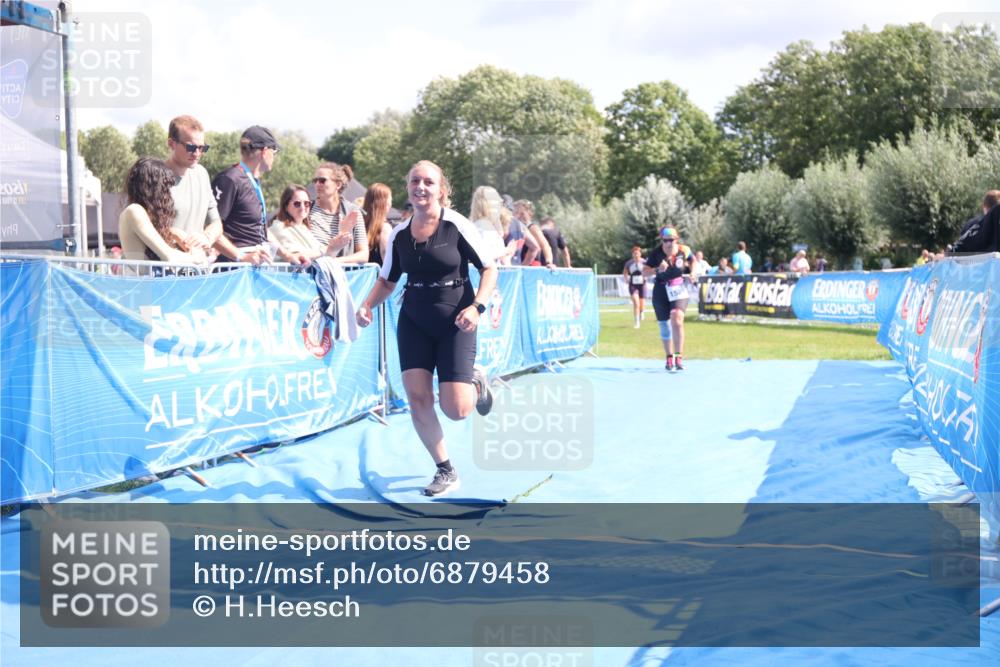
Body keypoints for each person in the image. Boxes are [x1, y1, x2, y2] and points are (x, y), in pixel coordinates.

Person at [356, 160, 498, 497]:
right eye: (415, 181)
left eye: (428, 182)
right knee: (418, 399)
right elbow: (387, 282)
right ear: (408, 187)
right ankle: (445, 469)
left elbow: (490, 269)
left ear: (442, 190)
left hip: (456, 319)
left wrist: (476, 307)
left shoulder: (456, 226)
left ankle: (476, 384)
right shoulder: (399, 234)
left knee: (457, 409)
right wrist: (366, 306)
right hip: (414, 319)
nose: (421, 187)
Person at [212, 126, 306, 266]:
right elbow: (211, 228)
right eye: (274, 151)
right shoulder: (230, 179)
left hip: (254, 264)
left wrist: (288, 256)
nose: (274, 156)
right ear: (264, 151)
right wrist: (241, 257)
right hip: (235, 270)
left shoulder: (252, 180)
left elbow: (261, 231)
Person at [118, 157, 210, 267]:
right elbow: (170, 257)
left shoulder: (140, 213)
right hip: (144, 283)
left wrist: (174, 233)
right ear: (153, 189)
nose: (168, 194)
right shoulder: (134, 211)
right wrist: (196, 257)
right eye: (165, 188)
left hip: (150, 282)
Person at [163, 114, 221, 262]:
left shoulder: (202, 174)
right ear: (171, 144)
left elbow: (216, 224)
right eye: (191, 147)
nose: (197, 153)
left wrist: (206, 237)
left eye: (202, 148)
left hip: (196, 269)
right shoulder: (155, 176)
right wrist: (174, 233)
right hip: (163, 271)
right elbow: (142, 226)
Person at [644, 227, 693, 371]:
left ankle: (679, 356)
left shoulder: (684, 250)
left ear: (676, 239)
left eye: (671, 240)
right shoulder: (656, 253)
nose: (668, 243)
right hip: (660, 290)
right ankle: (669, 357)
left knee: (677, 318)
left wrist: (694, 272)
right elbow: (644, 272)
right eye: (665, 240)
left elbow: (693, 261)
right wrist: (657, 269)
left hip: (678, 288)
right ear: (662, 240)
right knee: (664, 325)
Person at [268, 184, 352, 259]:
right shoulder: (278, 227)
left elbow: (326, 255)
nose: (303, 207)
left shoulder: (306, 229)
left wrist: (337, 244)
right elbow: (298, 256)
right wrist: (329, 248)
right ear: (286, 206)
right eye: (297, 203)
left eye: (306, 203)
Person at [310, 162, 369, 263]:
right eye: (315, 180)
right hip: (310, 274)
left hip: (342, 275)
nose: (317, 184)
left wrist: (333, 263)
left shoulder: (353, 212)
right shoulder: (306, 209)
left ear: (338, 184)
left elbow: (363, 255)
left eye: (322, 180)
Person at [469, 185, 511, 265]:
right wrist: (507, 250)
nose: (500, 202)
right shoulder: (484, 225)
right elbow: (485, 255)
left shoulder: (480, 224)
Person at [513, 199, 554, 268]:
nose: (519, 216)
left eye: (522, 213)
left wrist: (549, 262)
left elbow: (545, 245)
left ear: (530, 214)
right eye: (516, 213)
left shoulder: (532, 228)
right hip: (522, 265)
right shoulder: (518, 227)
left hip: (532, 266)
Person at [362, 183, 393, 266]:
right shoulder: (385, 228)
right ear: (385, 204)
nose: (390, 204)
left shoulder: (359, 225)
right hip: (379, 276)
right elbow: (387, 256)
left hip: (361, 277)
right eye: (390, 200)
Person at [623, 246, 646, 329]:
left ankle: (642, 311)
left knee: (641, 302)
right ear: (632, 254)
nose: (636, 255)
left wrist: (646, 276)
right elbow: (625, 272)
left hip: (642, 284)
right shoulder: (629, 263)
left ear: (640, 254)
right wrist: (626, 279)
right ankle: (637, 322)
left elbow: (649, 270)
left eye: (637, 253)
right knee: (636, 303)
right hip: (633, 284)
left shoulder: (644, 262)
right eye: (634, 253)